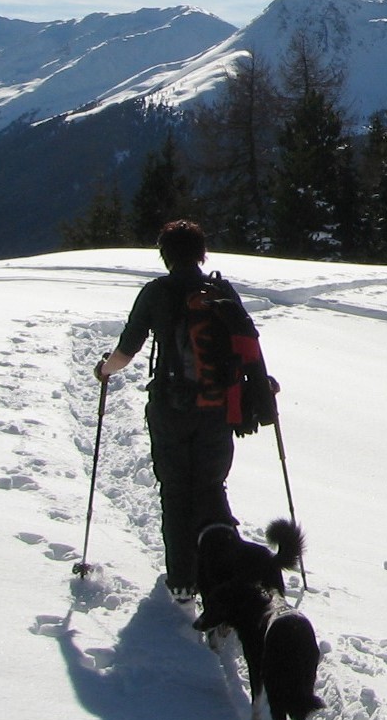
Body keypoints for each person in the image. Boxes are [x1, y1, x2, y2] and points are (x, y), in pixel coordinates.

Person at [93, 220, 273, 600]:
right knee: (211, 488)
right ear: (201, 253)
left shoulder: (156, 293)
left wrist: (104, 369)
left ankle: (182, 581)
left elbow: (127, 351)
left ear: (165, 254)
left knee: (176, 492)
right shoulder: (222, 291)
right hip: (218, 408)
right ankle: (224, 574)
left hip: (171, 407)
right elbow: (247, 346)